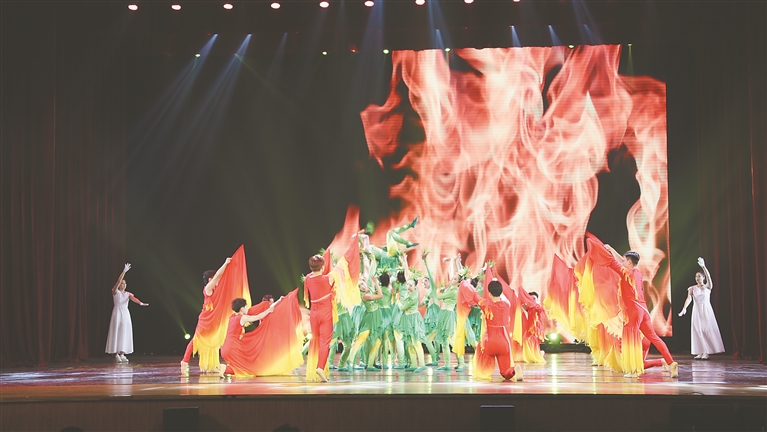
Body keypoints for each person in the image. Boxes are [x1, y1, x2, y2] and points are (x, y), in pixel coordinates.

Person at [602, 245, 678, 378]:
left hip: (633, 311)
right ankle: (671, 363)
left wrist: (602, 250)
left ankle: (633, 371)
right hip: (643, 311)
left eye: (625, 260)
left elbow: (613, 263)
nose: (623, 262)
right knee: (654, 338)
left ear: (629, 262)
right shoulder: (637, 273)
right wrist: (612, 250)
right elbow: (622, 262)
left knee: (630, 339)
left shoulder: (625, 273)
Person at [461, 276, 520, 381]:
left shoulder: (485, 304)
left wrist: (465, 281)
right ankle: (513, 371)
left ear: (489, 293)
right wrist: (496, 283)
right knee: (505, 372)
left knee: (480, 349)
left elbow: (473, 294)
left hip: (490, 342)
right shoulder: (507, 304)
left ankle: (483, 372)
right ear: (501, 292)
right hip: (504, 342)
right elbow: (503, 297)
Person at [678, 257, 725, 359]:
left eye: (699, 276)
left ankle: (707, 351)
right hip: (697, 311)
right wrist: (684, 308)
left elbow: (709, 278)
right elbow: (689, 298)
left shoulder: (707, 287)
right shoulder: (692, 288)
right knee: (697, 330)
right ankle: (700, 351)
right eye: (696, 276)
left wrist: (704, 267)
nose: (697, 278)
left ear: (703, 277)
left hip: (706, 310)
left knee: (706, 330)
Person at [105, 263, 148, 363]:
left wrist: (140, 303)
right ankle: (116, 353)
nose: (123, 284)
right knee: (116, 331)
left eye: (124, 283)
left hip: (125, 314)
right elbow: (118, 281)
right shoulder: (115, 292)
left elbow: (133, 298)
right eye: (122, 283)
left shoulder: (128, 294)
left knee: (124, 332)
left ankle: (122, 353)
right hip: (117, 313)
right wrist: (124, 271)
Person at [304, 254, 336, 382]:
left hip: (314, 315)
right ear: (322, 267)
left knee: (315, 341)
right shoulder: (328, 278)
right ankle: (320, 367)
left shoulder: (307, 278)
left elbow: (314, 274)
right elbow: (338, 271)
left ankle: (316, 368)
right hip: (325, 314)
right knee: (324, 342)